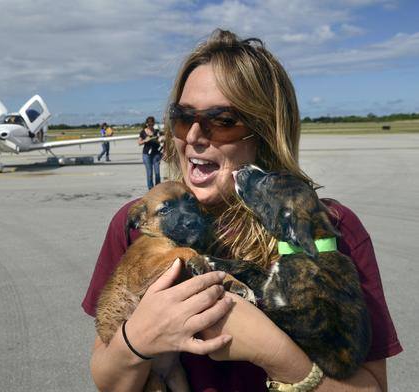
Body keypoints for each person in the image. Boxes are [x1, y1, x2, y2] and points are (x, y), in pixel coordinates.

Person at [83, 29, 402, 391]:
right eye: (183, 117)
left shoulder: (324, 228)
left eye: (222, 121)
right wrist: (138, 339)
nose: (193, 137)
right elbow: (107, 381)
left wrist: (271, 350)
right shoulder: (140, 224)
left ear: (264, 131)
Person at [138, 116, 162, 189]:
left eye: (152, 124)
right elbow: (139, 142)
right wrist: (145, 140)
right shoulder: (143, 132)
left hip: (156, 154)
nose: (151, 126)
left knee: (157, 173)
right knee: (149, 173)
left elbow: (162, 140)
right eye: (149, 124)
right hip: (146, 155)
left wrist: (161, 140)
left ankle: (158, 189)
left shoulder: (157, 131)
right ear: (147, 124)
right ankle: (151, 189)